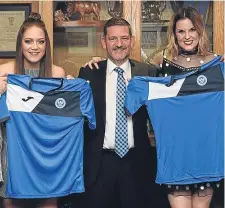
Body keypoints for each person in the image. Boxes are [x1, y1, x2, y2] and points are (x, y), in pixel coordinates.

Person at [84, 7, 224, 208]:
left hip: (206, 153)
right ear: (174, 35)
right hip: (174, 156)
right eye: (181, 31)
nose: (187, 36)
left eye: (192, 30)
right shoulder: (160, 66)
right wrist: (100, 63)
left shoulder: (217, 66)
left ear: (200, 31)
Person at [77, 17, 168, 208]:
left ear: (132, 41)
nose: (119, 44)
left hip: (137, 164)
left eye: (124, 38)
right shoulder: (88, 73)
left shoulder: (149, 72)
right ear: (103, 42)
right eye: (113, 39)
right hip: (99, 165)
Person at [0, 12, 65, 208]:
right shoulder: (4, 71)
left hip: (47, 152)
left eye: (40, 42)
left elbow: (62, 117)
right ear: (20, 44)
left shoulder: (57, 73)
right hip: (13, 153)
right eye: (29, 41)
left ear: (47, 45)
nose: (35, 47)